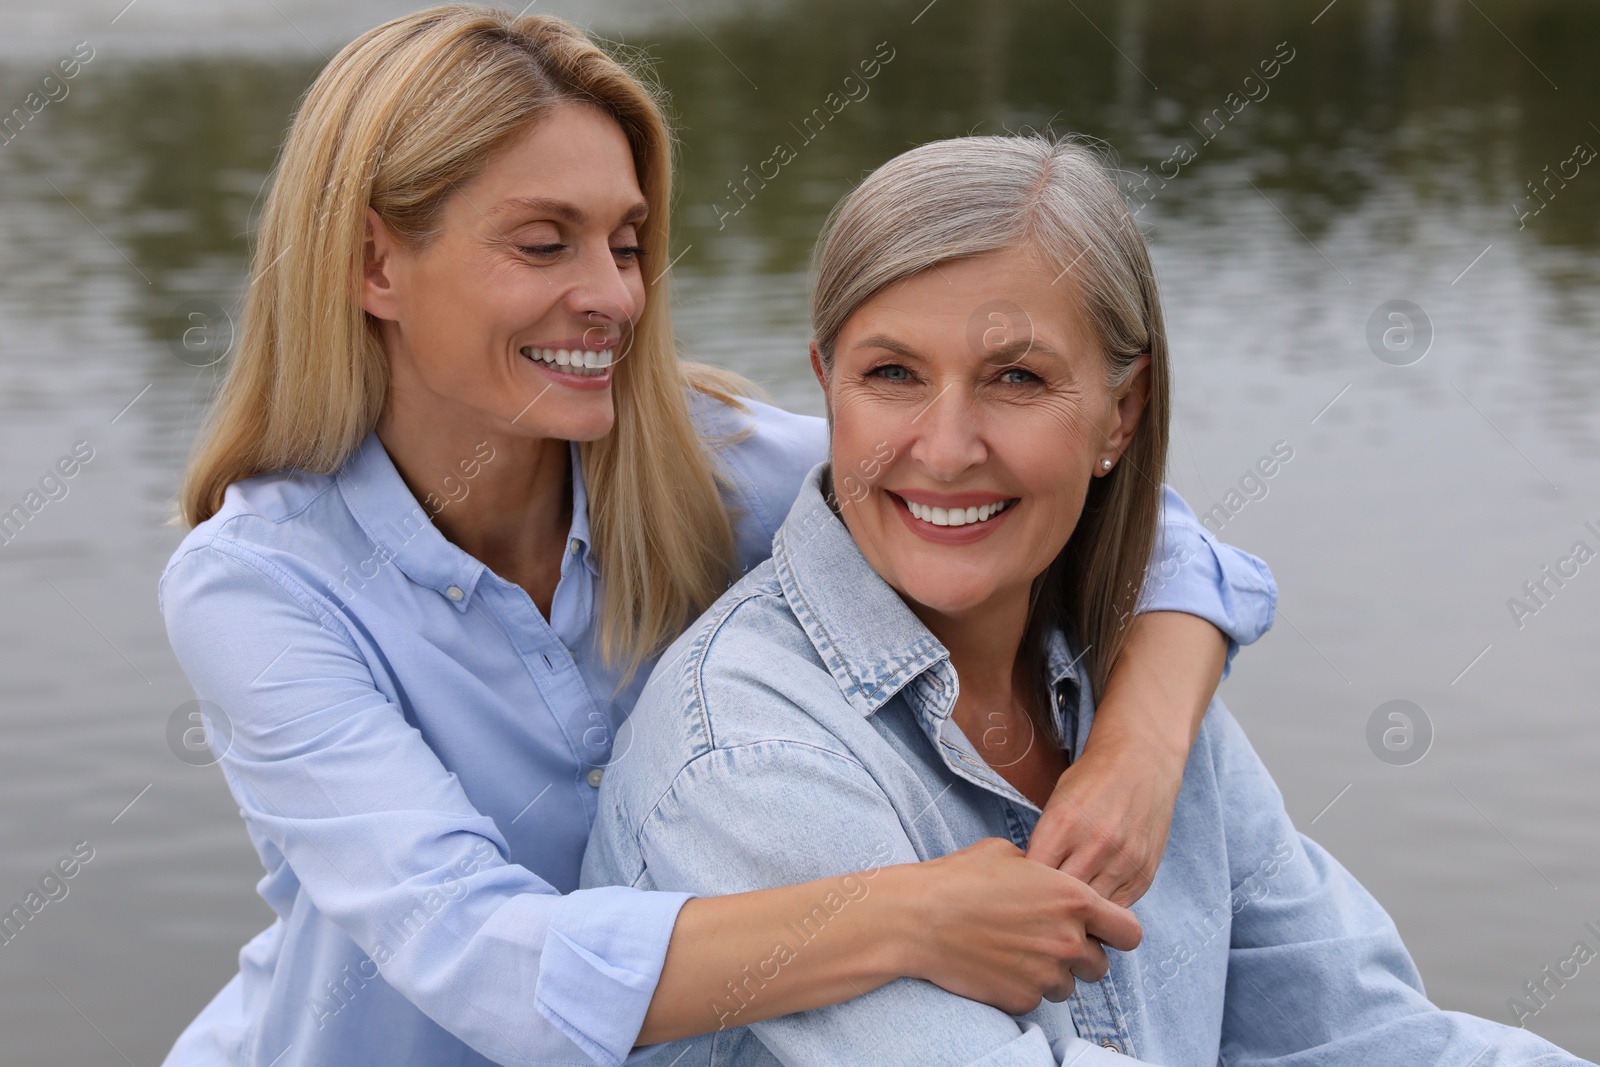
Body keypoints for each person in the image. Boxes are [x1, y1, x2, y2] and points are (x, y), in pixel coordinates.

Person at [158, 8, 1278, 1067]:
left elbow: (1120, 526)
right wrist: (907, 912)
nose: (612, 296)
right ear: (374, 265)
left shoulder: (711, 468)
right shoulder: (260, 585)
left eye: (627, 243)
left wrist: (1136, 752)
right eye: (545, 244)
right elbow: (479, 956)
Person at [580, 134, 1593, 1066]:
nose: (944, 447)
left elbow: (1369, 1039)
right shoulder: (749, 752)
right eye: (891, 373)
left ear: (1122, 413)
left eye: (1016, 378)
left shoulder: (1139, 706)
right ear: (826, 385)